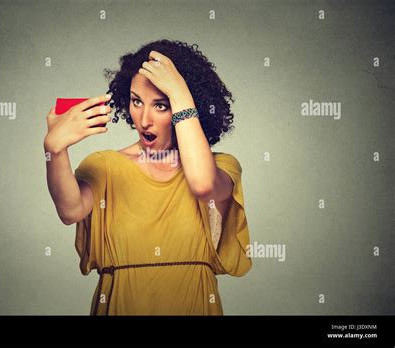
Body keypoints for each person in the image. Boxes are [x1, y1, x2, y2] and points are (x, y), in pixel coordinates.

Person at [44, 39, 252, 315]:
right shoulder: (104, 166)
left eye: (161, 105)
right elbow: (70, 211)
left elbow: (202, 185)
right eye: (136, 101)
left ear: (186, 106)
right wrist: (54, 150)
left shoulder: (222, 167)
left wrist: (179, 93)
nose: (143, 120)